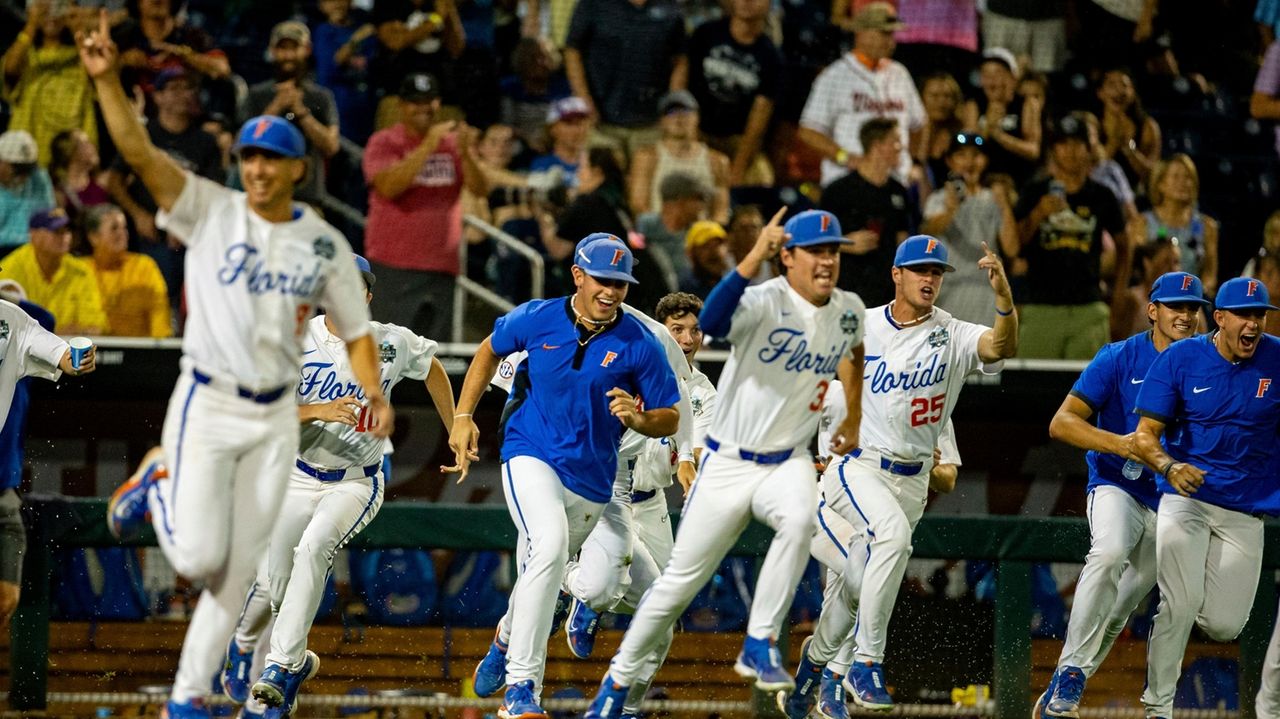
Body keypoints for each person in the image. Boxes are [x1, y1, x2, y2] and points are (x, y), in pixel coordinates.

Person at [79, 11, 392, 718]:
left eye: (270, 157)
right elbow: (141, 156)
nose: (255, 167)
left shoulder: (320, 243)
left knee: (234, 568)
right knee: (194, 559)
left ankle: (190, 698)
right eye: (248, 155)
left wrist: (374, 387)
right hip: (213, 398)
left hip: (275, 414)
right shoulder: (212, 211)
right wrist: (105, 85)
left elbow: (360, 326)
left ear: (295, 169)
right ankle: (160, 476)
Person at [584, 208, 867, 719]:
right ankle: (616, 683)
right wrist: (753, 256)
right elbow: (711, 323)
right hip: (730, 461)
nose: (827, 260)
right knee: (675, 587)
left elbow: (855, 351)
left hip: (788, 461)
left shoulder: (847, 307)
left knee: (800, 522)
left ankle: (760, 640)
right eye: (816, 251)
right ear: (789, 256)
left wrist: (855, 414)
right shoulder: (763, 299)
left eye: (834, 251)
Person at [776, 234, 1016, 714]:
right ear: (897, 274)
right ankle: (864, 664)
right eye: (921, 270)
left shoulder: (951, 335)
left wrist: (1005, 302)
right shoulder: (857, 326)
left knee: (857, 581)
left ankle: (814, 670)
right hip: (854, 468)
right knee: (889, 542)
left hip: (911, 481)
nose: (930, 279)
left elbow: (999, 346)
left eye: (937, 272)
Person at [447, 233, 681, 719]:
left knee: (568, 577)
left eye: (620, 283)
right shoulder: (537, 317)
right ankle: (522, 690)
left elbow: (670, 416)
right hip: (529, 452)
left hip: (596, 481)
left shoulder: (640, 342)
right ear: (578, 275)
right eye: (602, 280)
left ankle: (504, 639)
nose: (612, 291)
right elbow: (489, 349)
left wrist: (640, 420)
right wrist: (464, 416)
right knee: (549, 548)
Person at [214, 255, 456, 715]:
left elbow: (433, 368)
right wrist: (316, 411)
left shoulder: (389, 341)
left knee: (314, 549)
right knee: (275, 585)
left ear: (366, 295)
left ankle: (280, 668)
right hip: (297, 475)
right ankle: (263, 648)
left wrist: (456, 423)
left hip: (355, 483)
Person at [1035, 271, 1209, 718]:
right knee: (1109, 552)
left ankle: (1063, 683)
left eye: (1192, 307)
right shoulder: (1118, 357)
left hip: (1172, 499)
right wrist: (1121, 443)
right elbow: (1061, 422)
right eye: (1175, 306)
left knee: (1121, 607)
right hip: (1119, 483)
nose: (1185, 315)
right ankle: (1072, 674)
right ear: (1153, 310)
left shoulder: (1210, 364)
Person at [1131, 276, 1280, 719]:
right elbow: (1145, 436)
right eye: (1244, 315)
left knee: (1224, 625)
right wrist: (1169, 467)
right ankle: (1157, 708)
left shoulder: (1278, 358)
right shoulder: (1181, 357)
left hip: (1246, 509)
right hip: (1186, 497)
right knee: (1179, 602)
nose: (1253, 324)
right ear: (1219, 319)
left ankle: (1193, 592)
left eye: (1260, 315)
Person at [783, 389, 961, 719]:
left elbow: (948, 479)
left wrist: (928, 464)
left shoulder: (934, 403)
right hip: (832, 506)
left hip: (884, 519)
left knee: (852, 596)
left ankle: (809, 678)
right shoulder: (843, 388)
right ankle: (836, 678)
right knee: (866, 579)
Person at [362, 72, 486, 342]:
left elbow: (480, 188)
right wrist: (428, 144)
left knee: (434, 356)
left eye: (429, 101)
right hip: (394, 265)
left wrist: (466, 153)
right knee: (390, 353)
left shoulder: (453, 144)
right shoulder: (384, 142)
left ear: (438, 103)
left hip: (442, 267)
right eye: (415, 102)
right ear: (402, 106)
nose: (423, 108)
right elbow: (389, 186)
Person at [0, 289, 97, 630]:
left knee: (5, 598)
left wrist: (79, 358)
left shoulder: (11, 320)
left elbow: (64, 355)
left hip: (1, 490)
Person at [103, 66, 223, 313]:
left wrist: (185, 223)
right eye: (174, 88)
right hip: (150, 233)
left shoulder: (206, 141)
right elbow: (113, 179)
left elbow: (214, 191)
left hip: (192, 235)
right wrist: (137, 214)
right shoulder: (144, 136)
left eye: (188, 87)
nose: (184, 94)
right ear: (157, 97)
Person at [1014, 114, 1130, 358]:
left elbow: (1124, 245)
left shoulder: (1102, 195)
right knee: (1032, 389)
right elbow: (1015, 246)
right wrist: (1037, 214)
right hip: (1040, 306)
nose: (1071, 151)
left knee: (1088, 391)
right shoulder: (1035, 191)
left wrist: (1119, 292)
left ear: (1089, 150)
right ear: (1053, 150)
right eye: (1063, 144)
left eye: (1077, 144)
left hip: (1088, 307)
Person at [798, 2, 924, 187]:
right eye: (883, 33)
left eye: (892, 34)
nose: (890, 41)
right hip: (848, 181)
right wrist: (845, 157)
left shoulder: (900, 74)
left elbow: (919, 124)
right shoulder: (835, 75)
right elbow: (808, 131)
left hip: (896, 181)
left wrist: (913, 161)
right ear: (861, 33)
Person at [563, 0, 688, 158]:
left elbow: (680, 60)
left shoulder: (670, 8)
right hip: (602, 122)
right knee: (606, 180)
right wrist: (583, 98)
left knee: (645, 181)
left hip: (651, 124)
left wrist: (672, 106)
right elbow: (572, 51)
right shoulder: (592, 4)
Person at [238, 21, 341, 206]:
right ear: (272, 51)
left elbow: (331, 146)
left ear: (307, 49)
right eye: (282, 48)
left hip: (308, 198)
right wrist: (276, 107)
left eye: (294, 48)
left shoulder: (321, 97)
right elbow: (241, 144)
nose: (288, 55)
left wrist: (301, 112)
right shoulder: (256, 95)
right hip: (263, 196)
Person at [921, 132, 1018, 325]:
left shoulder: (994, 199)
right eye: (961, 155)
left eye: (976, 155)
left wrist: (1005, 205)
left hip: (986, 292)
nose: (969, 162)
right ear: (949, 160)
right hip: (950, 291)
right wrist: (951, 209)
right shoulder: (939, 198)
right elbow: (928, 231)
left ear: (985, 161)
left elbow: (1012, 249)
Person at [819, 117, 916, 308]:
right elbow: (818, 242)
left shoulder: (899, 191)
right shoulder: (838, 191)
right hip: (846, 292)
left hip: (887, 295)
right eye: (895, 141)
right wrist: (847, 244)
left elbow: (902, 240)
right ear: (877, 146)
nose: (900, 147)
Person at [685, 0, 782, 186]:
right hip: (697, 131)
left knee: (762, 179)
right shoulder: (705, 34)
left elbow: (758, 120)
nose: (747, 2)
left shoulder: (771, 57)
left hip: (736, 141)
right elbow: (686, 87)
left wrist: (738, 169)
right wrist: (692, 142)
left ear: (769, 4)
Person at [2, 0, 98, 167]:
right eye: (45, 6)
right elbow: (10, 69)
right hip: (29, 162)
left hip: (73, 163)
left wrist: (77, 27)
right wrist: (31, 24)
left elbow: (100, 78)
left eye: (59, 5)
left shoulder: (82, 57)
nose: (52, 13)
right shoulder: (27, 56)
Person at [0, 208, 108, 334]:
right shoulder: (10, 268)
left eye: (67, 231)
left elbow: (95, 327)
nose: (64, 237)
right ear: (34, 235)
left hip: (68, 350)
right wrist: (58, 332)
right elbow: (6, 327)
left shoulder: (81, 272)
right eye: (56, 231)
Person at [628, 91, 730, 223]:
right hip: (660, 235)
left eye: (685, 111)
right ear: (661, 121)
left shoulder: (717, 161)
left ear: (697, 117)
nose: (678, 118)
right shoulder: (647, 157)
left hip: (701, 236)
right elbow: (639, 205)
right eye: (671, 113)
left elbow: (721, 211)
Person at [1128, 154, 1219, 295]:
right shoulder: (1141, 224)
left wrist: (1198, 293)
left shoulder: (1207, 226)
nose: (1183, 182)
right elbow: (1133, 270)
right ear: (1160, 184)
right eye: (1176, 176)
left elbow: (1210, 275)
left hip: (1191, 299)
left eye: (1188, 177)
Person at [83, 203, 171, 338]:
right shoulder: (80, 270)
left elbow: (159, 312)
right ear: (94, 237)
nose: (122, 233)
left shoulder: (144, 267)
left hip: (138, 352)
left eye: (124, 228)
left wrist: (159, 346)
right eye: (114, 228)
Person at [961, 48, 1041, 188]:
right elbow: (967, 150)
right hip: (983, 181)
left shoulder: (1027, 104)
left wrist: (998, 135)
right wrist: (986, 128)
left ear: (1012, 77)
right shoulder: (974, 105)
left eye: (997, 73)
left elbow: (1033, 150)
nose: (991, 81)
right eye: (985, 74)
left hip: (1020, 179)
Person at [1095, 67, 1160, 187]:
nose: (1119, 90)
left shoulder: (1148, 126)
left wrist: (1129, 147)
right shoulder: (1092, 124)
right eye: (1112, 84)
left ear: (1132, 93)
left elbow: (1152, 175)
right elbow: (1091, 170)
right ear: (1100, 93)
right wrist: (1114, 142)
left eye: (1124, 85)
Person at [0, 129, 55, 250]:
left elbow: (48, 217)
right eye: (17, 168)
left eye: (27, 169)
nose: (24, 175)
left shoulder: (38, 178)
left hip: (32, 249)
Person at [912, 72, 965, 188]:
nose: (941, 103)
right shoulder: (910, 131)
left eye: (947, 96)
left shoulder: (960, 132)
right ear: (921, 97)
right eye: (934, 96)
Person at [49, 129, 110, 219]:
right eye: (84, 143)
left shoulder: (104, 183)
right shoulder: (57, 194)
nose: (92, 146)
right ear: (69, 152)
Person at [680, 220, 732, 298]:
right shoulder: (687, 289)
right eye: (705, 246)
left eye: (717, 244)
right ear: (691, 254)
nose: (714, 251)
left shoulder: (733, 279)